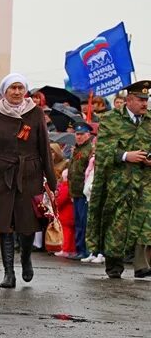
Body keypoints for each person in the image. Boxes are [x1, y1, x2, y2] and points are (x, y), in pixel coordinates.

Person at [0, 73, 56, 289]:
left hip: (30, 175)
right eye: (12, 88)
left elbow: (44, 147)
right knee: (4, 225)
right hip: (4, 175)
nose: (16, 92)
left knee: (27, 227)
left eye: (20, 88)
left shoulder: (35, 113)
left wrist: (52, 184)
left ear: (25, 90)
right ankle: (9, 273)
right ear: (5, 91)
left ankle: (26, 258)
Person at [87, 80, 151, 279]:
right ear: (129, 100)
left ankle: (142, 264)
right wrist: (125, 155)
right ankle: (114, 266)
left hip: (145, 182)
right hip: (118, 182)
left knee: (145, 221)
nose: (144, 104)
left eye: (146, 99)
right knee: (118, 223)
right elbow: (103, 151)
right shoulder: (111, 119)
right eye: (140, 100)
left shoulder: (149, 121)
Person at [67, 122, 94, 261]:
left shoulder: (90, 150)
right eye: (77, 134)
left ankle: (85, 250)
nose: (79, 137)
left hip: (84, 192)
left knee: (84, 222)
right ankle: (79, 249)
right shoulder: (77, 149)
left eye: (82, 134)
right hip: (76, 191)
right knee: (78, 221)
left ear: (88, 135)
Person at [55, 169, 76, 257]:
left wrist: (55, 205)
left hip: (65, 214)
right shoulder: (70, 187)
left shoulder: (65, 187)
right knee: (72, 232)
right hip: (71, 213)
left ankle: (65, 249)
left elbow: (60, 200)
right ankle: (71, 249)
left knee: (66, 232)